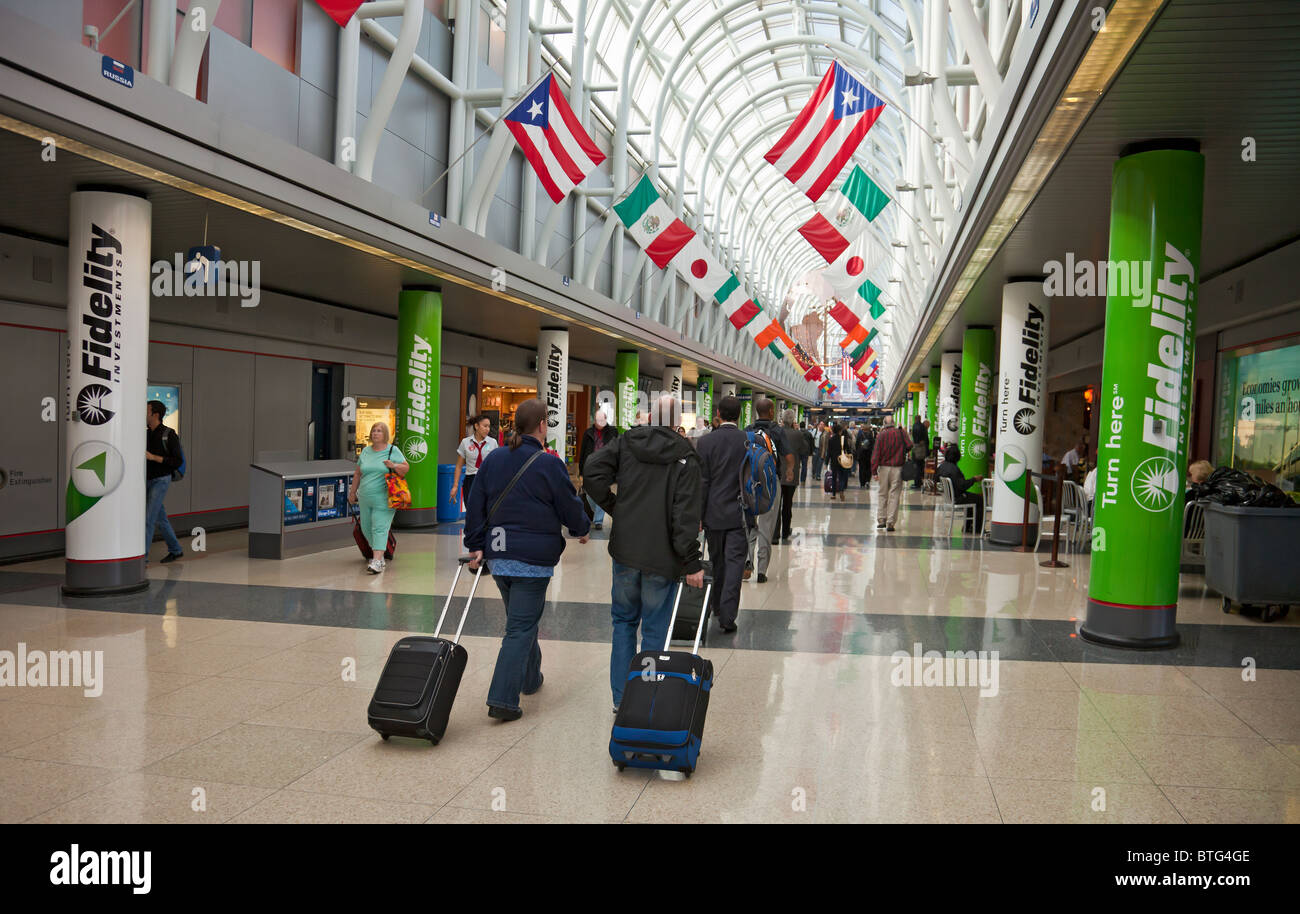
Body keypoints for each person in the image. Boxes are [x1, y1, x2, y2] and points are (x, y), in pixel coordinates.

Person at [465, 399, 590, 721]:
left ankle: (530, 679)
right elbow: (569, 504)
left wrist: (475, 543)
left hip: (499, 556)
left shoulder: (494, 459)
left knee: (522, 621)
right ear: (542, 426)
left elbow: (476, 501)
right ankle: (502, 700)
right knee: (520, 627)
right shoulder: (548, 463)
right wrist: (580, 529)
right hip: (532, 560)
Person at [583, 394, 704, 713]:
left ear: (650, 417)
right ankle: (646, 696)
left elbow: (592, 471)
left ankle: (621, 699)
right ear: (679, 421)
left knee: (622, 623)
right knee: (654, 628)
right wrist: (692, 560)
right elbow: (684, 517)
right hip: (661, 558)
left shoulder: (626, 443)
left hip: (625, 551)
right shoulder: (686, 457)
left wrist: (614, 508)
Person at [696, 395, 748, 634]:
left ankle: (716, 607)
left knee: (717, 562)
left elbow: (703, 482)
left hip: (713, 514)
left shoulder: (706, 443)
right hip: (740, 514)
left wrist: (699, 514)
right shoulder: (748, 441)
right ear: (740, 415)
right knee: (735, 563)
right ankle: (727, 616)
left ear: (718, 413)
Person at [348, 421, 408, 574]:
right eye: (374, 430)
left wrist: (394, 466)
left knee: (379, 528)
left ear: (385, 434)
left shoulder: (392, 450)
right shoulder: (366, 452)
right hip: (365, 497)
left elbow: (406, 468)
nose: (375, 433)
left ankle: (377, 560)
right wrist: (352, 492)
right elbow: (357, 473)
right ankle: (379, 557)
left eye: (379, 431)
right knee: (366, 528)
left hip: (384, 497)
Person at [743, 397, 788, 580]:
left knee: (748, 523)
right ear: (771, 412)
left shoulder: (747, 430)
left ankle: (747, 561)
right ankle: (761, 571)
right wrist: (789, 471)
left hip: (748, 482)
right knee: (766, 525)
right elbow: (789, 455)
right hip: (770, 483)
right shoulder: (777, 431)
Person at [145, 400, 185, 565]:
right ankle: (176, 550)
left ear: (155, 414)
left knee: (148, 519)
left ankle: (142, 559)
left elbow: (177, 461)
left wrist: (154, 457)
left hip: (161, 480)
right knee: (160, 518)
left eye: (146, 410)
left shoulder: (169, 434)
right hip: (146, 479)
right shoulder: (145, 434)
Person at [577, 406, 618, 530]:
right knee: (589, 494)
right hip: (589, 468)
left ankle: (598, 520)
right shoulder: (588, 433)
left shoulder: (613, 432)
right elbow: (583, 451)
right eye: (597, 420)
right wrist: (581, 470)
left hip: (605, 467)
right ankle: (591, 513)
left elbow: (617, 450)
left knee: (602, 492)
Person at [870, 415, 912, 531]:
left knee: (882, 494)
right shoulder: (901, 432)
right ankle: (890, 523)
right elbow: (910, 445)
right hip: (898, 468)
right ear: (893, 423)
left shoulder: (881, 435)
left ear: (884, 423)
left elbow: (876, 454)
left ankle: (881, 520)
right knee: (894, 495)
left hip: (883, 469)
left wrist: (874, 471)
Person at [450, 414, 497, 513]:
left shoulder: (493, 443)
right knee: (472, 511)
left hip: (487, 480)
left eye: (489, 426)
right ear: (476, 426)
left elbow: (498, 465)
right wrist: (455, 486)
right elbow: (459, 466)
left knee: (486, 511)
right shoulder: (465, 442)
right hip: (470, 480)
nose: (487, 429)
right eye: (485, 426)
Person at [937, 444, 984, 533]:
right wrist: (974, 479)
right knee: (979, 499)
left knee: (971, 498)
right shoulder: (954, 469)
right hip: (957, 497)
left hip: (949, 497)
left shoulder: (942, 466)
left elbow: (936, 479)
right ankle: (977, 528)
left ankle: (967, 527)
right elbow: (962, 486)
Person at [779, 409, 808, 542]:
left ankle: (774, 534)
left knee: (776, 504)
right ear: (793, 421)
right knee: (787, 504)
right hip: (791, 473)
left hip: (777, 472)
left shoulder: (777, 432)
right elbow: (804, 450)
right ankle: (785, 531)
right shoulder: (797, 434)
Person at [825, 421, 853, 501]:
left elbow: (829, 452)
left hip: (834, 461)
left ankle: (833, 494)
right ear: (840, 431)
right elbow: (848, 449)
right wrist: (850, 457)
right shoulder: (843, 439)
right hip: (842, 460)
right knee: (842, 477)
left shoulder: (831, 440)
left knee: (834, 477)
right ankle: (841, 490)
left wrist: (826, 462)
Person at [910, 416, 929, 490]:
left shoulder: (915, 426)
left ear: (915, 419)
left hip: (917, 449)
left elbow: (915, 438)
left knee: (916, 466)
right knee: (921, 465)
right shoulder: (923, 427)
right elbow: (925, 440)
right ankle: (920, 481)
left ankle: (917, 483)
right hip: (923, 449)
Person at [856, 423, 875, 487]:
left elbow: (857, 445)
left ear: (863, 429)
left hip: (861, 455)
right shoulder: (870, 435)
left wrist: (857, 453)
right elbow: (873, 445)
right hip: (868, 454)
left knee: (861, 468)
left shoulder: (859, 435)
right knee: (868, 468)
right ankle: (867, 480)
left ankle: (862, 482)